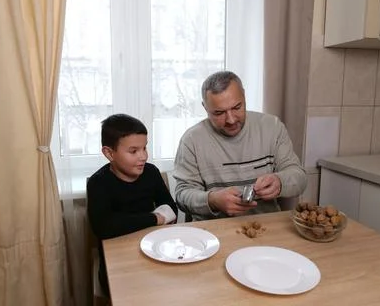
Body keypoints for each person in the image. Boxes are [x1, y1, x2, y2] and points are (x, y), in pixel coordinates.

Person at [173, 71, 307, 221]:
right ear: (205, 108)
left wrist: (280, 181)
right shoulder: (191, 140)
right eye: (219, 113)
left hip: (267, 226)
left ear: (244, 96)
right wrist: (213, 200)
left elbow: (300, 178)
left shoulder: (272, 127)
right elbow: (182, 195)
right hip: (214, 231)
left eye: (237, 107)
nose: (230, 120)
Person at [87, 113, 178, 296]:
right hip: (117, 261)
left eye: (145, 148)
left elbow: (171, 210)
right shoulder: (98, 183)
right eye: (133, 151)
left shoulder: (151, 172)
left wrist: (133, 222)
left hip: (154, 250)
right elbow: (104, 226)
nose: (143, 156)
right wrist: (154, 218)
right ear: (109, 153)